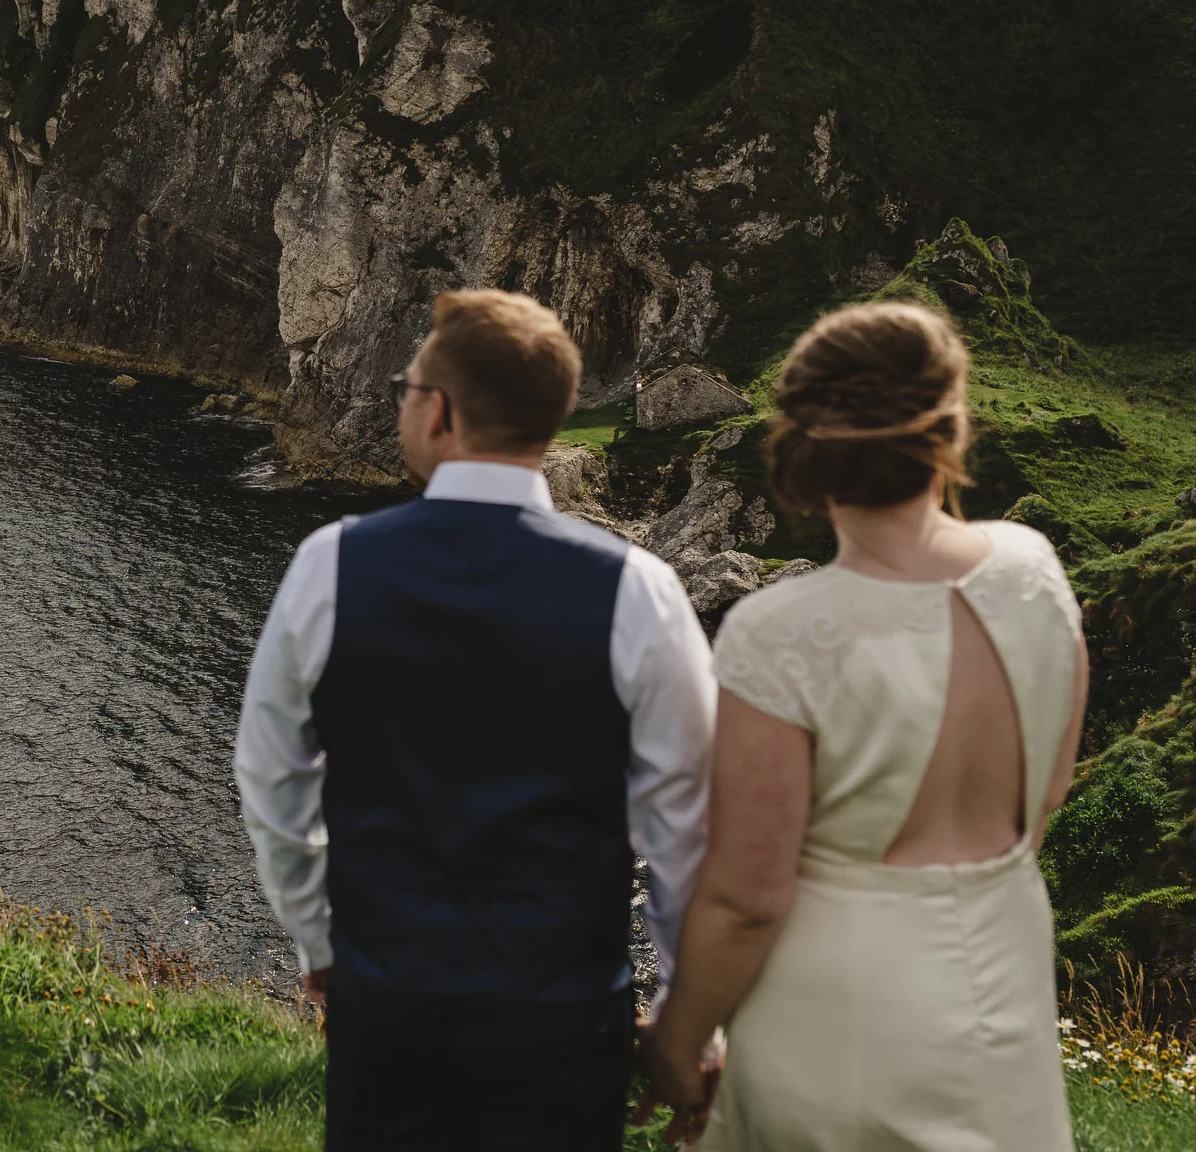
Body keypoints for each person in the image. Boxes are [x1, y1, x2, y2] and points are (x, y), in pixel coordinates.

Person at [235, 289, 717, 1150]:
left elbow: (273, 778)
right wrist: (685, 1016)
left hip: (389, 1003)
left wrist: (319, 939)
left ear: (441, 411)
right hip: (566, 1017)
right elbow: (688, 828)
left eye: (406, 388)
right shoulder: (640, 590)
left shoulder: (329, 566)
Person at [642, 301, 1089, 1150]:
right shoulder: (1035, 569)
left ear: (803, 445)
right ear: (949, 425)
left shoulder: (779, 631)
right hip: (1002, 983)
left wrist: (676, 1040)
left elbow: (745, 899)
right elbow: (1046, 794)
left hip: (839, 1014)